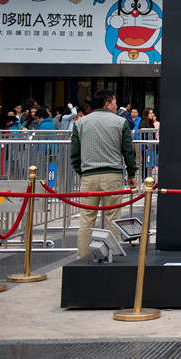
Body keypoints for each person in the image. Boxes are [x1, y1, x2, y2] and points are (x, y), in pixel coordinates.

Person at [71, 89, 137, 259]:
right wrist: (131, 174)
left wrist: (82, 172)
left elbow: (75, 154)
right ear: (107, 103)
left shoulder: (80, 123)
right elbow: (128, 151)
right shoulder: (120, 122)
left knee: (86, 219)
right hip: (112, 175)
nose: (116, 106)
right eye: (114, 103)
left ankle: (82, 257)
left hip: (88, 176)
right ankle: (111, 256)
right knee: (112, 218)